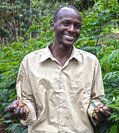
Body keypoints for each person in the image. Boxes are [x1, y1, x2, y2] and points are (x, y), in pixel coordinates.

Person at [7, 5, 111, 133]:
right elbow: (27, 101)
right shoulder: (30, 62)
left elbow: (96, 100)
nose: (72, 30)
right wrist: (23, 111)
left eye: (77, 26)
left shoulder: (91, 62)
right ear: (53, 24)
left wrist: (98, 111)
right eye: (66, 24)